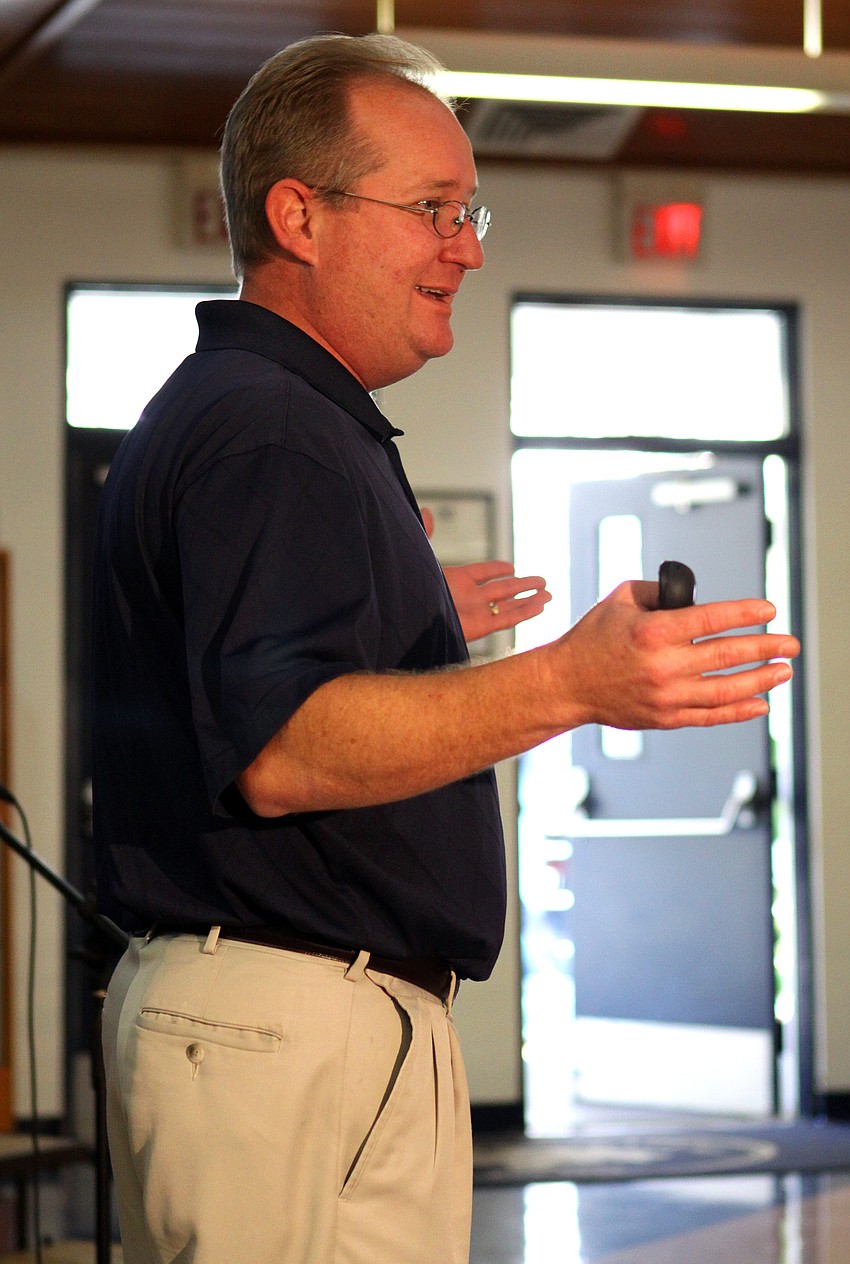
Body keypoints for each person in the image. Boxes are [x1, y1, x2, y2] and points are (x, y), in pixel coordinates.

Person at [92, 32, 800, 1264]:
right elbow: (284, 748)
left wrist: (407, 612)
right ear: (300, 217)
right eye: (432, 209)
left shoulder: (272, 415)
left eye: (469, 211)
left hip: (306, 1025)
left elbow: (263, 679)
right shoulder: (272, 428)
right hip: (286, 1024)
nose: (466, 246)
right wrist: (572, 680)